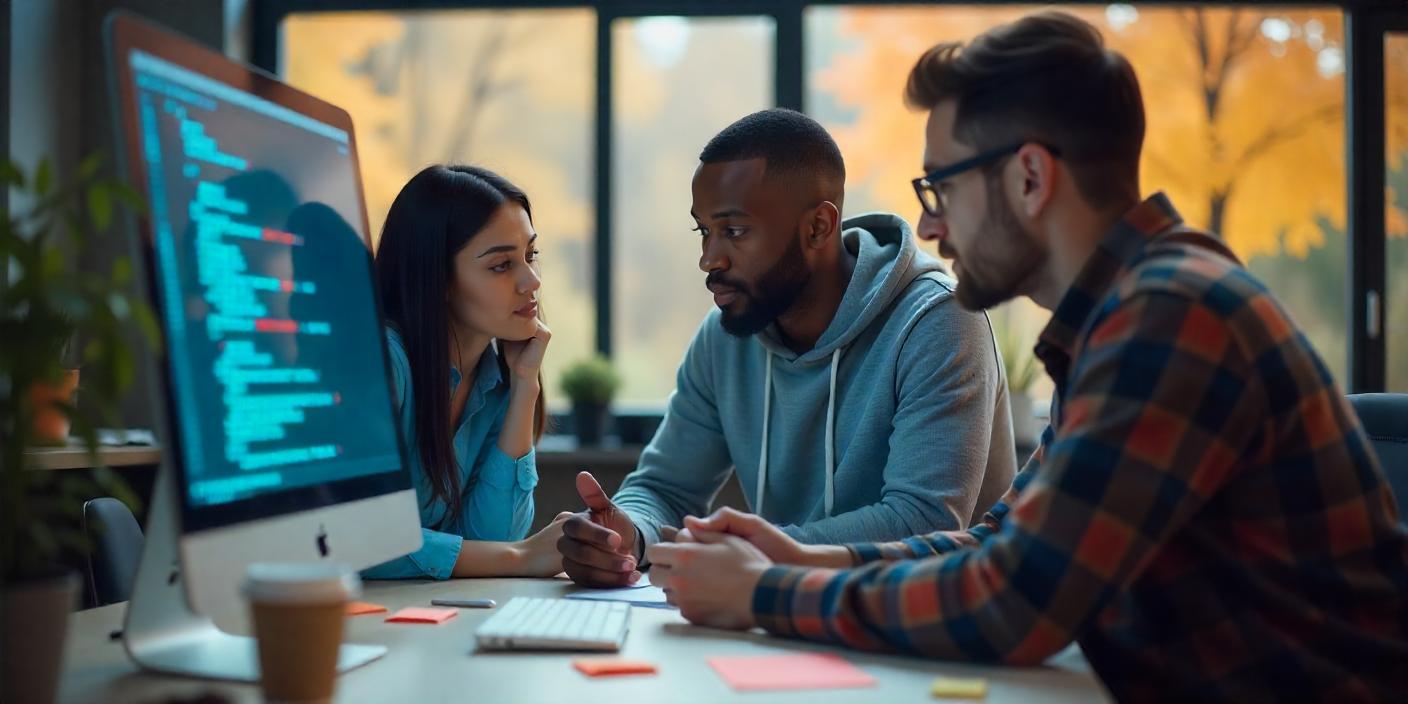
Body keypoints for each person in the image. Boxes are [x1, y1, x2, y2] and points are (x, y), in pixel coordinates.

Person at [646, 13, 1408, 701]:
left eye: (941, 188)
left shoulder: (1174, 315)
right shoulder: (1125, 315)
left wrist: (763, 593)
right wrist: (806, 558)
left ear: (1030, 178)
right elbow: (1001, 542)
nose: (929, 226)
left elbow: (1014, 604)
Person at [558, 109, 1017, 587]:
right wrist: (628, 535)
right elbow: (664, 487)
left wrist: (748, 553)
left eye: (734, 231)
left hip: (930, 619)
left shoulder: (939, 321)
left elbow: (922, 522)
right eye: (704, 231)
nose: (708, 259)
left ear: (818, 227)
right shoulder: (725, 338)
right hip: (786, 610)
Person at [363, 165, 566, 579]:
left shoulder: (498, 378)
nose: (531, 281)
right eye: (501, 265)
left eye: (530, 255)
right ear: (438, 279)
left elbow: (491, 536)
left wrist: (525, 384)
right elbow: (358, 538)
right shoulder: (382, 363)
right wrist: (522, 558)